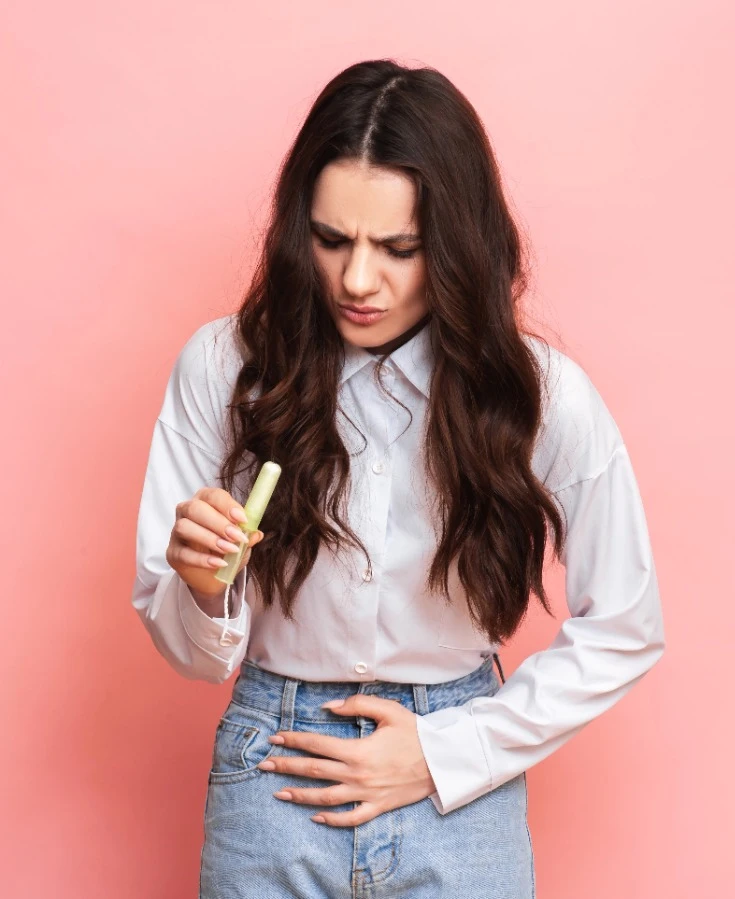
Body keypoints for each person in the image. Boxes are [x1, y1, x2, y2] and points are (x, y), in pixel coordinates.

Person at [129, 59, 666, 898]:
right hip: (273, 768)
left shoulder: (540, 394)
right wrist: (202, 590)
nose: (357, 280)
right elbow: (194, 658)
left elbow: (629, 624)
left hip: (458, 785)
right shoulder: (226, 366)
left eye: (399, 248)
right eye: (332, 238)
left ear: (455, 245)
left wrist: (448, 750)